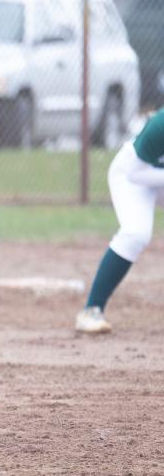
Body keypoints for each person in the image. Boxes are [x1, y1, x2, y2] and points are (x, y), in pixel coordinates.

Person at [76, 109, 164, 333]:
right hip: (133, 178)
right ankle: (91, 310)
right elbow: (136, 173)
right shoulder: (159, 126)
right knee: (136, 233)